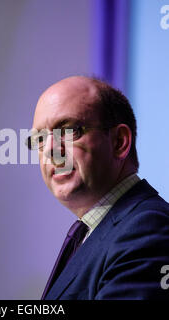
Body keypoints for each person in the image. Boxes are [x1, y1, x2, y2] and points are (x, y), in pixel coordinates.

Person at [28, 76, 169, 300]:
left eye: (69, 130)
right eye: (40, 139)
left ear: (119, 142)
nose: (51, 151)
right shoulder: (98, 231)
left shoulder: (148, 228)